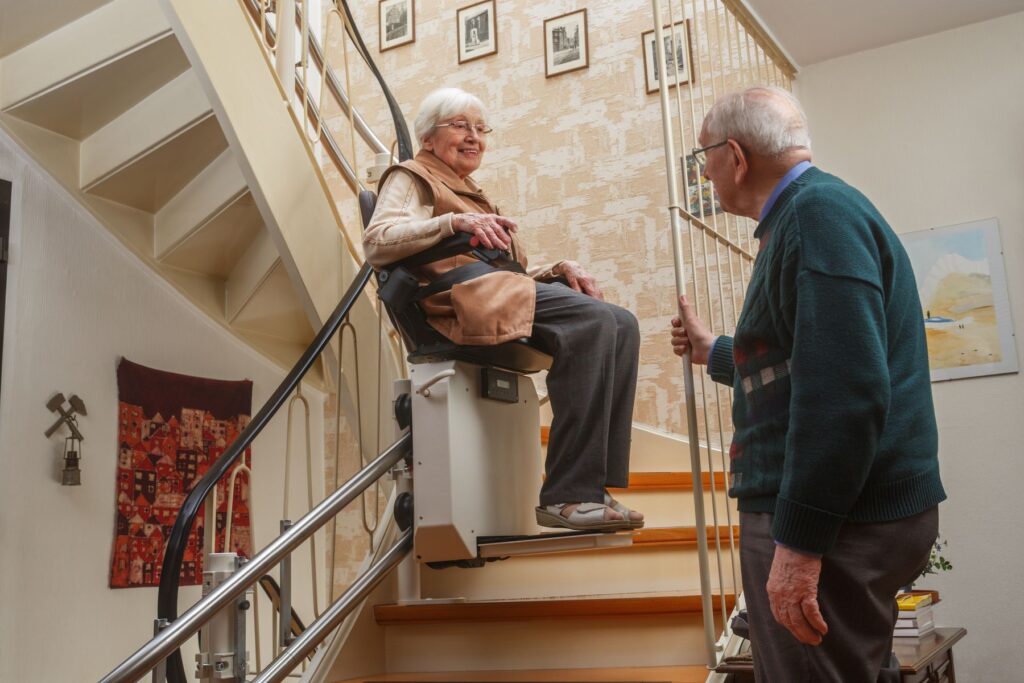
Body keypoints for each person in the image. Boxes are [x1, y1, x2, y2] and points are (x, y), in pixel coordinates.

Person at [669, 86, 945, 682]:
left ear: (736, 157)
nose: (705, 171)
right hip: (849, 512)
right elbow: (802, 366)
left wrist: (799, 543)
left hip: (841, 519)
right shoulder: (814, 215)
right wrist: (713, 352)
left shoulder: (816, 216)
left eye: (704, 156)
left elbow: (845, 394)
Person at [365, 87, 643, 532]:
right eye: (460, 126)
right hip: (457, 302)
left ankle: (592, 488)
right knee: (592, 321)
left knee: (621, 323)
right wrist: (452, 221)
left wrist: (557, 269)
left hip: (493, 291)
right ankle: (567, 496)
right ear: (428, 138)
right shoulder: (412, 176)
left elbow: (505, 271)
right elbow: (377, 241)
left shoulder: (472, 192)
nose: (473, 137)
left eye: (480, 129)